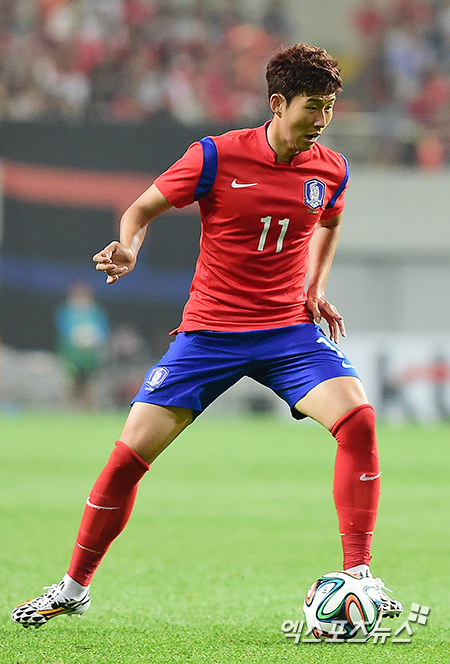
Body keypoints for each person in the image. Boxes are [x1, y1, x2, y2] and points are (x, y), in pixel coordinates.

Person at [11, 43, 402, 628]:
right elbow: (140, 209)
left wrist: (314, 288)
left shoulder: (331, 168)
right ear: (277, 103)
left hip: (287, 332)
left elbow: (331, 221)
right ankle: (73, 586)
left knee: (360, 421)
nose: (321, 121)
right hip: (210, 334)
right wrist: (130, 247)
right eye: (312, 107)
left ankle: (358, 574)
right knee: (126, 460)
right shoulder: (216, 156)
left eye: (329, 108)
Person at [55, 282, 110, 409]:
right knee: (70, 383)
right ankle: (68, 410)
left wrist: (93, 339)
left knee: (90, 384)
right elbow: (64, 331)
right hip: (72, 356)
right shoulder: (66, 312)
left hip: (90, 356)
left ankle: (90, 410)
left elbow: (103, 331)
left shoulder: (96, 313)